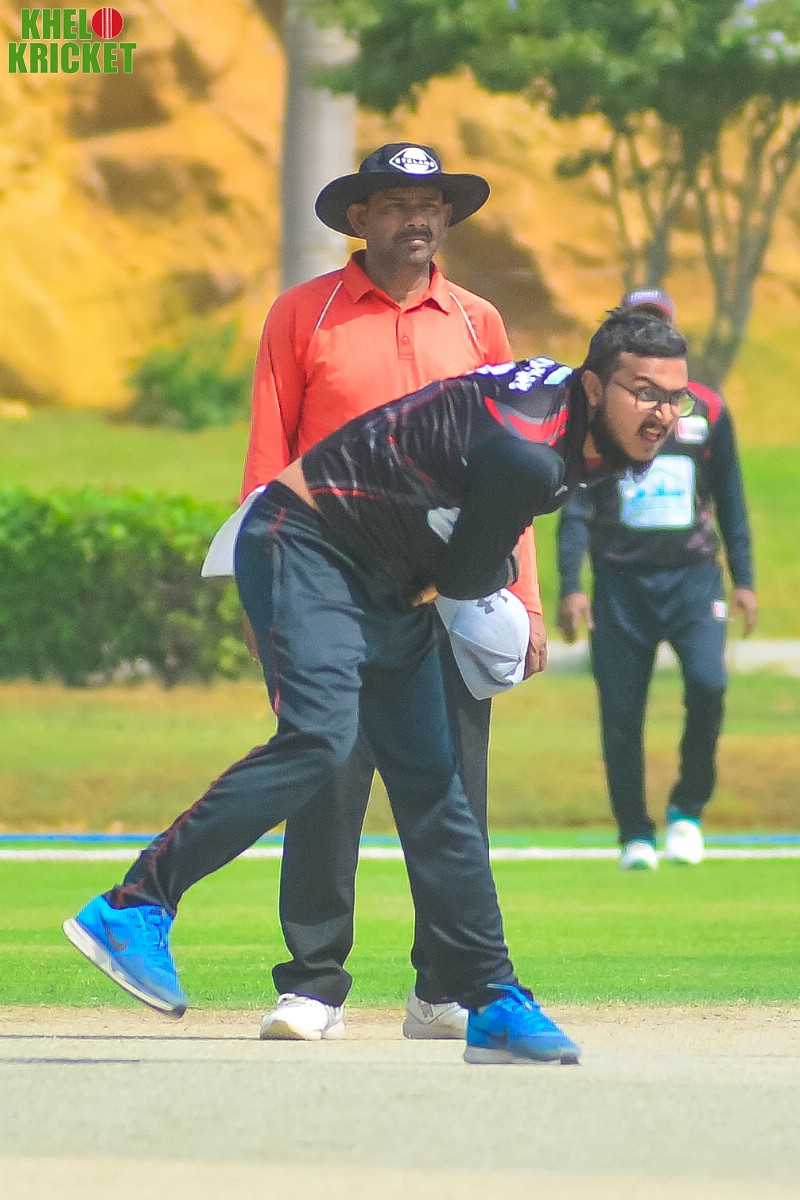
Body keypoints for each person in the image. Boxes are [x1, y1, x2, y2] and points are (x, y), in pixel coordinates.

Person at [62, 306, 690, 1065]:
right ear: (593, 387)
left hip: (387, 578)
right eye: (643, 392)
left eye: (674, 398)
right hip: (305, 542)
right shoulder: (532, 454)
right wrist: (496, 576)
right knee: (321, 739)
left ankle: (492, 999)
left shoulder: (574, 426)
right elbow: (466, 576)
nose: (661, 414)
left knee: (435, 789)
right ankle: (133, 908)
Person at [241, 142, 546, 1043]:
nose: (418, 218)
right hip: (330, 587)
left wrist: (527, 600)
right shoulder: (304, 314)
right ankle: (313, 987)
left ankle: (442, 988)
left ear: (447, 219)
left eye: (431, 204)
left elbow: (517, 469)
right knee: (325, 780)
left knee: (451, 797)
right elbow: (266, 460)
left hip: (453, 593)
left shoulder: (479, 322)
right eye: (397, 203)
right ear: (360, 218)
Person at [557, 288, 757, 870]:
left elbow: (731, 498)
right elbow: (575, 503)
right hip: (621, 582)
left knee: (709, 685)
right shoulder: (598, 412)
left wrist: (744, 578)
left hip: (694, 579)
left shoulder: (707, 410)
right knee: (621, 711)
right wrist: (571, 584)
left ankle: (688, 811)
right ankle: (634, 833)